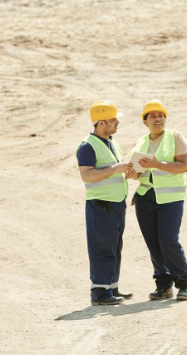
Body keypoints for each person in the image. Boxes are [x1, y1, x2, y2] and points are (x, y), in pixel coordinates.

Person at [130, 100, 187, 301]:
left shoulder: (175, 137)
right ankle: (163, 285)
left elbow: (184, 165)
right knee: (153, 243)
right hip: (145, 197)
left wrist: (157, 164)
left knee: (168, 241)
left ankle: (184, 282)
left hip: (170, 198)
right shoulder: (141, 142)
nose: (158, 119)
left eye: (161, 115)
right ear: (145, 121)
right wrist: (132, 171)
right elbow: (135, 171)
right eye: (152, 116)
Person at [76, 101, 133, 306]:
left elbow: (113, 171)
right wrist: (114, 169)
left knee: (115, 247)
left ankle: (111, 287)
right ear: (101, 122)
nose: (117, 122)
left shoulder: (112, 142)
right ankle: (99, 293)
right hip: (101, 205)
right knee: (102, 248)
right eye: (113, 119)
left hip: (116, 203)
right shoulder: (87, 146)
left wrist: (128, 173)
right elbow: (87, 175)